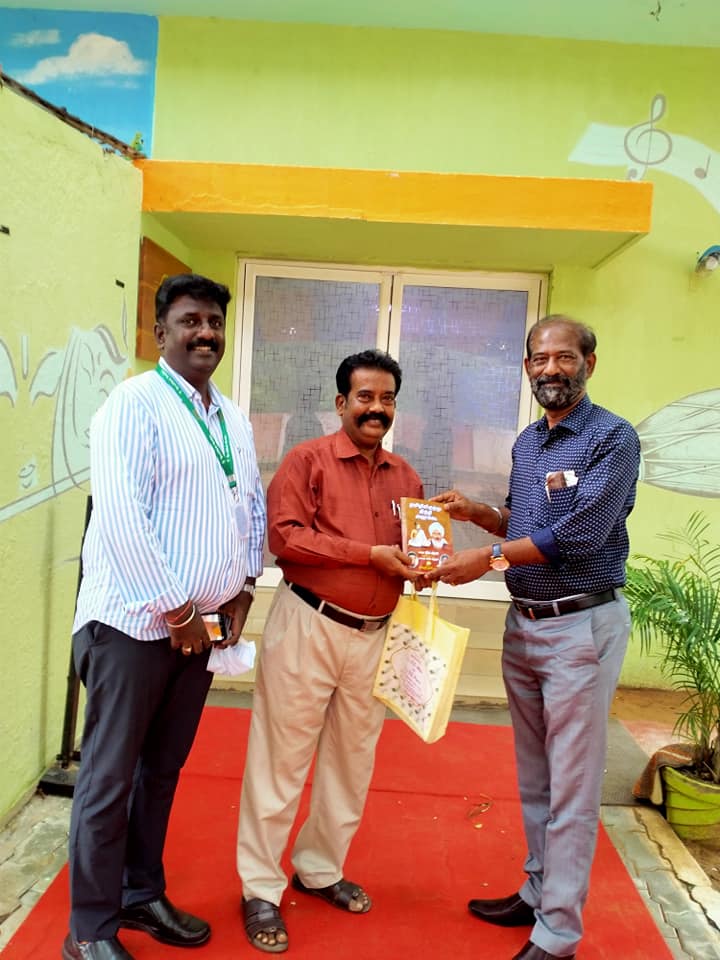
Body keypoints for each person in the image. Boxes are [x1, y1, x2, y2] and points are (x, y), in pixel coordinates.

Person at [422, 315, 640, 960]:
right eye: (540, 359)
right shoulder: (528, 441)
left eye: (564, 357)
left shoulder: (612, 438)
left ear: (589, 364)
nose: (551, 369)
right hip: (526, 627)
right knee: (537, 776)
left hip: (580, 628)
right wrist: (479, 515)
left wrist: (486, 560)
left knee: (572, 786)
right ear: (526, 368)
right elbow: (527, 523)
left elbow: (580, 534)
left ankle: (559, 934)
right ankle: (539, 890)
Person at [63, 274, 266, 960]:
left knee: (161, 772)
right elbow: (122, 516)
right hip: (132, 626)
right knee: (108, 779)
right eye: (190, 321)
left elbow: (252, 502)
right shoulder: (133, 404)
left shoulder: (230, 416)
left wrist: (243, 584)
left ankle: (140, 893)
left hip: (200, 630)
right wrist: (176, 607)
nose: (205, 332)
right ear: (161, 333)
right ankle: (89, 931)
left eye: (214, 322)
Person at [236, 348, 423, 953]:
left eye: (387, 398)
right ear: (342, 403)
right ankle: (259, 887)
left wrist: (429, 561)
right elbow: (285, 539)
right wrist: (367, 556)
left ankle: (318, 869)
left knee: (351, 761)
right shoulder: (307, 460)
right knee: (281, 760)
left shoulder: (406, 478)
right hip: (308, 624)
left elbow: (414, 555)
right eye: (365, 397)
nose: (376, 408)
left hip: (376, 635)